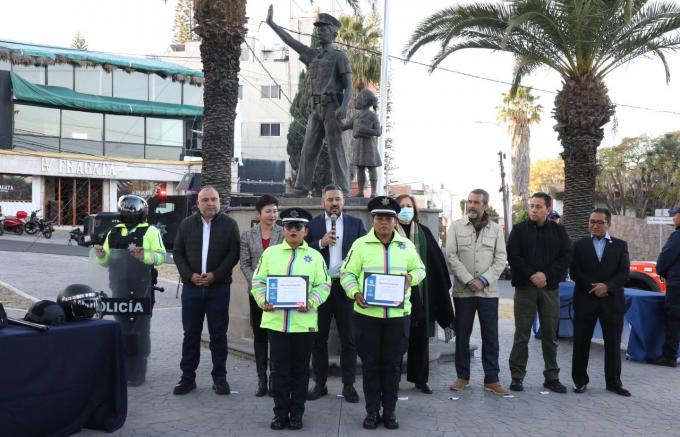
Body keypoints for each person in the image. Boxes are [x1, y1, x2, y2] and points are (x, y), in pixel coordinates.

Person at [340, 196, 426, 430]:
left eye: (388, 217)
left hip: (397, 318)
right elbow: (347, 274)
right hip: (368, 317)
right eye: (379, 217)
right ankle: (371, 412)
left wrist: (411, 277)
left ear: (395, 220)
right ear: (373, 219)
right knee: (370, 365)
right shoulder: (360, 245)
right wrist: (355, 292)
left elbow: (420, 269)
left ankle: (389, 412)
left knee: (392, 365)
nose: (384, 222)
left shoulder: (406, 245)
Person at [250, 207, 330, 430]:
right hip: (276, 323)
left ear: (306, 231)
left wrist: (311, 301)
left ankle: (297, 414)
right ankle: (279, 414)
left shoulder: (314, 256)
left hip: (303, 324)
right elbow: (258, 281)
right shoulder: (271, 254)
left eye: (298, 226)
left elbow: (324, 285)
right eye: (289, 226)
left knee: (301, 371)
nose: (293, 230)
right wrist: (263, 299)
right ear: (283, 229)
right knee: (279, 371)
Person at [266, 5, 352, 196]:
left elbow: (349, 85)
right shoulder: (312, 55)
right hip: (315, 109)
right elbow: (290, 41)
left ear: (333, 34)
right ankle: (301, 188)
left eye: (324, 30)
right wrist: (272, 24)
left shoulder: (340, 57)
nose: (320, 32)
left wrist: (345, 106)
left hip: (332, 108)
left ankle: (344, 189)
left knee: (336, 150)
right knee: (308, 150)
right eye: (318, 29)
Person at [172, 186, 240, 396]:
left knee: (218, 335)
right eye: (206, 200)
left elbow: (233, 254)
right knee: (190, 334)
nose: (210, 203)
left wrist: (214, 276)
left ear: (219, 202)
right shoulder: (186, 225)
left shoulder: (230, 225)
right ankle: (187, 378)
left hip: (218, 289)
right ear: (198, 203)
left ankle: (220, 379)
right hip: (192, 289)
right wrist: (189, 276)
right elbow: (178, 253)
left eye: (214, 199)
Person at [95, 194, 166, 386]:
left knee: (140, 330)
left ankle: (138, 372)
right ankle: (123, 369)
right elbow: (106, 261)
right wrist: (101, 255)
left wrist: (146, 256)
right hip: (119, 287)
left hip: (142, 287)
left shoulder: (150, 231)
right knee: (123, 328)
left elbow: (161, 257)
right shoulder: (113, 232)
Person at [306, 184, 366, 403]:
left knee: (348, 338)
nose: (334, 203)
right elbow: (302, 252)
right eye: (330, 199)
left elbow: (364, 253)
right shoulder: (312, 225)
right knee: (318, 339)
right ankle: (319, 384)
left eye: (338, 199)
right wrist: (319, 243)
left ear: (344, 202)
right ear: (323, 202)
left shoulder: (356, 224)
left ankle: (349, 385)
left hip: (346, 288)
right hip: (320, 288)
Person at [507, 192, 571, 393]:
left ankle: (551, 377)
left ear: (548, 209)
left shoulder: (559, 231)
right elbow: (514, 257)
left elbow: (566, 257)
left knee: (550, 334)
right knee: (522, 334)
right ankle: (517, 376)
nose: (534, 210)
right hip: (525, 288)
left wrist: (545, 275)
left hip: (549, 288)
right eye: (531, 206)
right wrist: (532, 275)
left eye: (538, 206)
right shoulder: (518, 230)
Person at [446, 189, 509, 395]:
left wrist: (483, 280)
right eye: (469, 202)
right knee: (462, 336)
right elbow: (452, 256)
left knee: (491, 336)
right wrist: (469, 280)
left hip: (488, 293)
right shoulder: (455, 227)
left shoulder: (496, 230)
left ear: (485, 205)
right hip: (463, 292)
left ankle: (492, 379)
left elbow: (501, 259)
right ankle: (462, 377)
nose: (471, 206)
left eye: (476, 202)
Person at [395, 194, 454, 394]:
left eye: (408, 206)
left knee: (420, 339)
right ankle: (392, 378)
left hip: (421, 294)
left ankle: (420, 379)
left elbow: (436, 263)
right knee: (397, 340)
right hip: (396, 295)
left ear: (415, 210)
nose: (405, 209)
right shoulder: (387, 233)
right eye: (401, 206)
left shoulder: (424, 232)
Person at [571, 208, 631, 396]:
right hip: (585, 300)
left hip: (611, 302)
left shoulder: (620, 246)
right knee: (581, 343)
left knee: (612, 343)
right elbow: (575, 272)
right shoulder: (579, 245)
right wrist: (594, 287)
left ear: (608, 224)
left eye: (599, 222)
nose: (595, 226)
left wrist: (607, 286)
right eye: (592, 222)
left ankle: (614, 383)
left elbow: (624, 273)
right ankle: (580, 381)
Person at [240, 195, 283, 396]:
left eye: (275, 211)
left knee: (274, 335)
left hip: (278, 294)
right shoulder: (248, 236)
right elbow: (245, 264)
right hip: (256, 293)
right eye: (268, 211)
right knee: (259, 335)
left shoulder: (283, 233)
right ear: (258, 214)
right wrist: (257, 285)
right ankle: (261, 379)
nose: (272, 215)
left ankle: (275, 377)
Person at [649, 206, 680, 367]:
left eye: (675, 216)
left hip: (677, 285)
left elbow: (666, 257)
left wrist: (661, 270)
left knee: (673, 319)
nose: (673, 219)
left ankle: (669, 356)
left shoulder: (677, 236)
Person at [341, 89, 382, 198]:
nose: (356, 100)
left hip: (369, 145)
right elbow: (345, 126)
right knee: (360, 168)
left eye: (358, 98)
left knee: (371, 167)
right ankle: (360, 192)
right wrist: (335, 117)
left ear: (364, 101)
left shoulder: (372, 116)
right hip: (358, 145)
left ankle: (373, 192)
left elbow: (378, 132)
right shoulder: (356, 116)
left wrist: (365, 130)